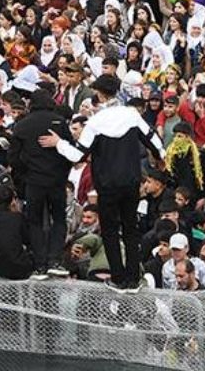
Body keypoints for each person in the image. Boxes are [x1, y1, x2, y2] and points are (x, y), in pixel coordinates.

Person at [41, 74, 163, 291]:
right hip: (131, 181)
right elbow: (152, 138)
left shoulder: (96, 122)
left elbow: (77, 155)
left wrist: (59, 143)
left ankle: (118, 277)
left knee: (109, 230)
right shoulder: (131, 114)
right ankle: (133, 278)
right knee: (130, 229)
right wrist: (161, 158)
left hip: (107, 185)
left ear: (99, 93)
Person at [8, 89, 73, 279]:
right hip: (56, 180)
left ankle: (40, 264)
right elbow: (69, 151)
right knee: (59, 219)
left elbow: (14, 157)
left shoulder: (22, 125)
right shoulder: (59, 122)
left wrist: (25, 175)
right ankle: (54, 260)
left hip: (34, 181)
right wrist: (62, 173)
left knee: (34, 221)